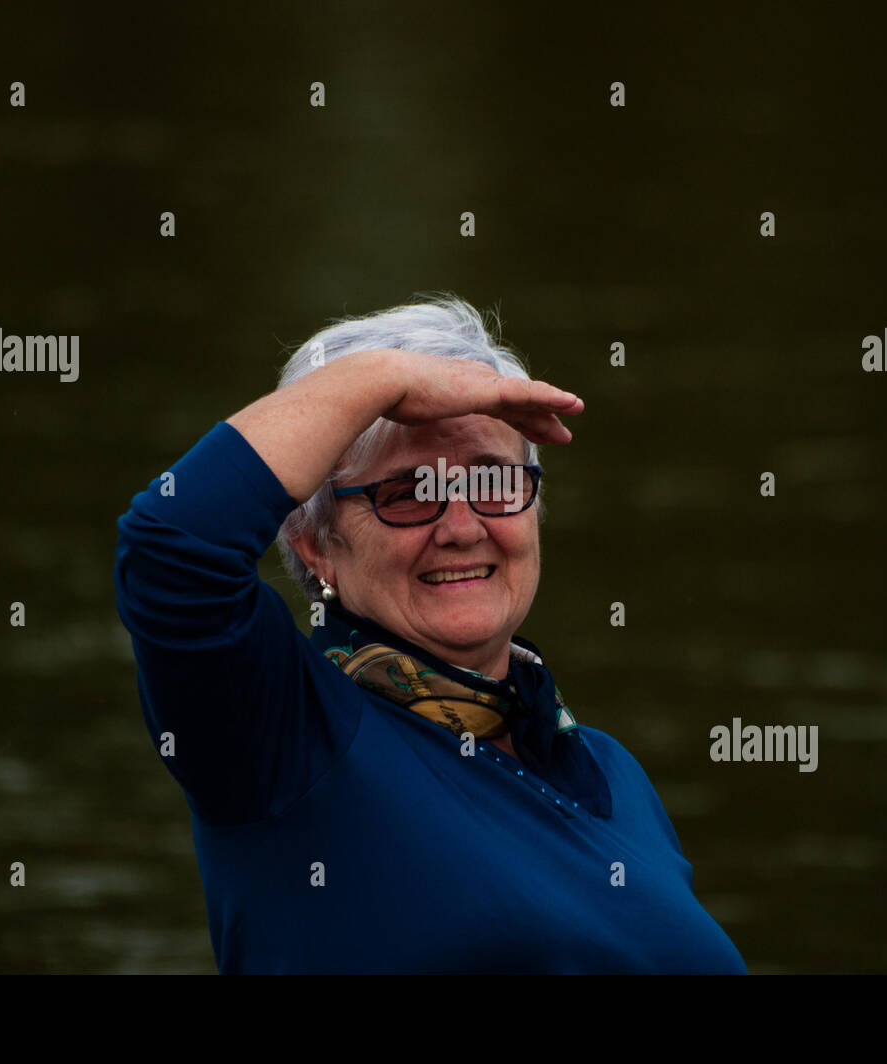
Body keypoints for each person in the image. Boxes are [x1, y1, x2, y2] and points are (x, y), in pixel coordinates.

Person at [114, 295, 747, 973]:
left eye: (493, 479)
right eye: (408, 492)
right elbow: (171, 545)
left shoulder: (610, 771)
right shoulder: (280, 737)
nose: (462, 527)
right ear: (315, 544)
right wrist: (381, 379)